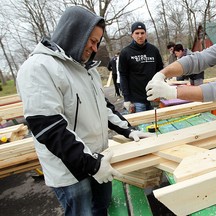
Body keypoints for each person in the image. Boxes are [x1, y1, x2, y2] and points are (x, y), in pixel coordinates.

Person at [16, 6, 153, 216]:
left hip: (98, 159)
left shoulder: (87, 70)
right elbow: (49, 129)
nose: (95, 48)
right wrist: (92, 165)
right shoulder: (39, 68)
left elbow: (103, 107)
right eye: (91, 40)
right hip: (70, 170)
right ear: (75, 33)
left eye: (97, 42)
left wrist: (128, 130)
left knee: (102, 208)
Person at [119, 21, 164, 113]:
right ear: (132, 35)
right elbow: (123, 76)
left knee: (157, 124)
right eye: (137, 33)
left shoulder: (153, 50)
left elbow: (161, 71)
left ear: (146, 34)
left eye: (142, 33)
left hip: (153, 97)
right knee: (141, 126)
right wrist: (127, 99)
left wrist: (162, 89)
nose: (140, 36)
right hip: (137, 100)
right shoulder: (126, 52)